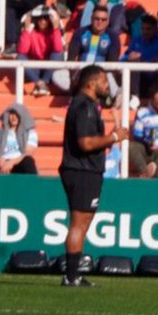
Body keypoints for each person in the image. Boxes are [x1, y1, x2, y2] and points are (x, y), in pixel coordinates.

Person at [59, 64, 127, 287]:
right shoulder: (84, 106)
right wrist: (114, 137)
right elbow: (85, 142)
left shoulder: (87, 105)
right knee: (79, 223)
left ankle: (73, 274)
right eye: (104, 81)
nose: (107, 86)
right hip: (81, 169)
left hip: (87, 169)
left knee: (84, 222)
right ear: (91, 83)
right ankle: (71, 276)